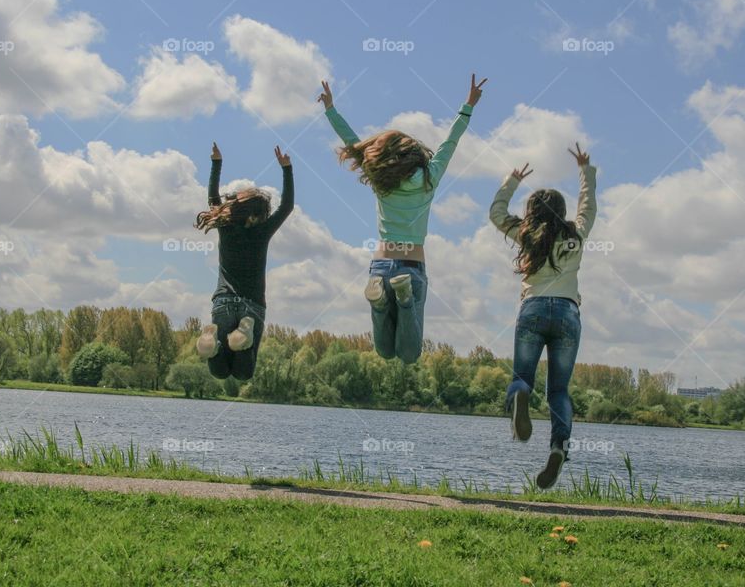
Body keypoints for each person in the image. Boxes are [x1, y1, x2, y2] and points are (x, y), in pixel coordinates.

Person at [319, 74, 486, 364]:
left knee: (384, 351)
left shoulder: (379, 177)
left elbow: (352, 142)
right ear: (414, 153)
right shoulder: (429, 179)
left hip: (381, 264)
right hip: (412, 263)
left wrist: (330, 110)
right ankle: (403, 298)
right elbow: (451, 142)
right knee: (409, 354)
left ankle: (382, 300)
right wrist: (468, 105)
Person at [489, 143, 597, 489]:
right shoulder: (575, 236)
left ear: (532, 212)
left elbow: (495, 212)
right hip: (567, 312)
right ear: (562, 211)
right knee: (559, 391)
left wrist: (512, 181)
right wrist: (585, 171)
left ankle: (520, 396)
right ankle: (558, 447)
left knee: (522, 375)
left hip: (533, 307)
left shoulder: (525, 234)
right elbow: (587, 207)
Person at [193, 142, 294, 380]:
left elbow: (213, 199)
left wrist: (216, 163)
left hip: (223, 301)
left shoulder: (226, 227)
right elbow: (287, 206)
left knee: (219, 373)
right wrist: (287, 169)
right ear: (259, 215)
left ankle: (213, 345)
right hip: (253, 303)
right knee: (243, 373)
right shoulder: (263, 231)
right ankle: (243, 337)